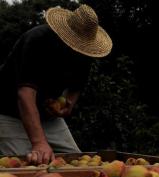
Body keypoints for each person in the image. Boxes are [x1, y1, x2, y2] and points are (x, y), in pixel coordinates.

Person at [0, 4, 112, 165]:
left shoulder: (85, 53)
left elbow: (76, 87)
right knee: (26, 166)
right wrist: (39, 142)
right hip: (9, 112)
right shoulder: (37, 40)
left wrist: (66, 106)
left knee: (77, 163)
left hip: (47, 118)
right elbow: (25, 95)